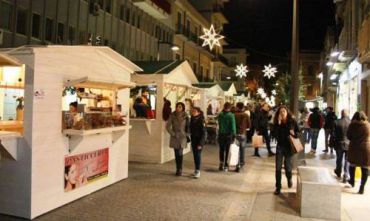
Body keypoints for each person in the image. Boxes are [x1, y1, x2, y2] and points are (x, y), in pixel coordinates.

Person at [272, 105, 299, 195]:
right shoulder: (277, 122)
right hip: (280, 147)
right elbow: (274, 135)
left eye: (284, 111)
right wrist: (278, 124)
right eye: (281, 112)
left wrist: (294, 134)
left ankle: (289, 178)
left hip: (289, 147)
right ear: (278, 113)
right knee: (278, 168)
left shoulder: (292, 121)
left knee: (288, 167)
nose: (282, 113)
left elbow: (298, 132)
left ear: (287, 112)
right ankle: (278, 187)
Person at [347, 111, 370, 194]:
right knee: (365, 167)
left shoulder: (352, 125)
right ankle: (362, 187)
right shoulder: (368, 125)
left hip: (355, 147)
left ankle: (352, 181)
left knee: (352, 165)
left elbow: (348, 136)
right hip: (365, 148)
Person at [166, 102, 190, 176]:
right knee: (176, 153)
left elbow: (189, 126)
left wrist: (187, 134)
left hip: (182, 137)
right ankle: (178, 168)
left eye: (180, 107)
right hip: (175, 137)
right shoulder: (172, 116)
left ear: (182, 107)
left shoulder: (186, 116)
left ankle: (180, 169)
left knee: (180, 153)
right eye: (177, 106)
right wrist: (173, 134)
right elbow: (167, 127)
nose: (178, 108)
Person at [217, 102, 236, 172]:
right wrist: (234, 135)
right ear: (230, 108)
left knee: (221, 149)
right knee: (227, 150)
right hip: (228, 135)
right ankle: (226, 164)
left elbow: (219, 123)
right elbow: (233, 126)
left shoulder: (220, 114)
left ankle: (221, 163)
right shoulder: (231, 115)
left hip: (221, 134)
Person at [333, 109, 351, 183]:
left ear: (341, 113)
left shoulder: (336, 122)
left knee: (339, 159)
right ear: (347, 114)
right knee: (347, 160)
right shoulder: (351, 122)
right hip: (348, 144)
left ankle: (338, 172)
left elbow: (333, 133)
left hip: (339, 143)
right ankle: (346, 175)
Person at [189, 107, 207, 178]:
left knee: (197, 155)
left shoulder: (201, 121)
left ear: (199, 112)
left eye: (195, 111)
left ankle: (198, 171)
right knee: (195, 155)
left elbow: (204, 133)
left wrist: (200, 143)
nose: (193, 112)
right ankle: (196, 170)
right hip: (194, 140)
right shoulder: (192, 119)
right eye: (192, 111)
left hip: (199, 140)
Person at [234, 102, 251, 172]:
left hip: (235, 134)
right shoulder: (246, 115)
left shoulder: (234, 115)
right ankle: (241, 163)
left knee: (236, 150)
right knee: (242, 149)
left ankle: (237, 164)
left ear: (237, 107)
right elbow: (249, 126)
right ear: (243, 107)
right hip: (243, 134)